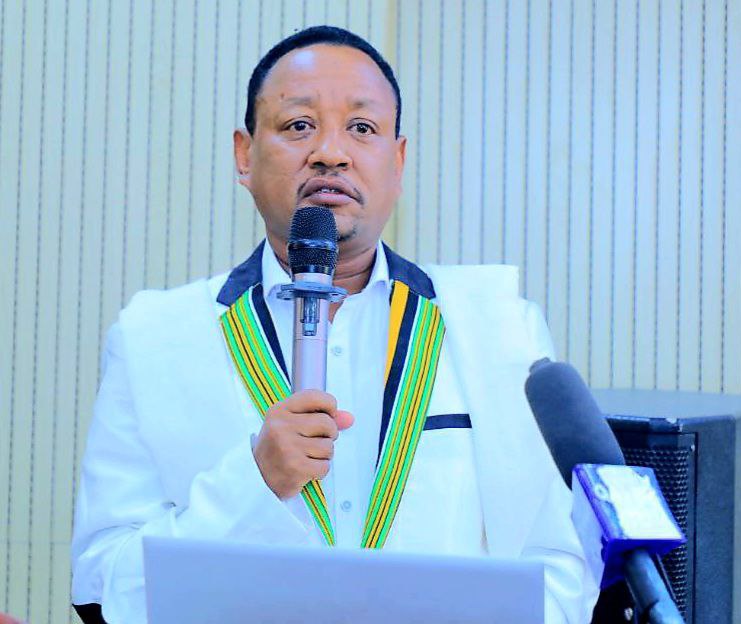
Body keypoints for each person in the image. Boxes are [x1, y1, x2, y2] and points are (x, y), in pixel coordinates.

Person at [71, 26, 599, 623]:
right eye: (299, 125)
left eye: (362, 128)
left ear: (397, 161)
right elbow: (102, 587)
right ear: (245, 155)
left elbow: (562, 562)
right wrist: (254, 482)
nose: (330, 152)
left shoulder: (499, 329)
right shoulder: (154, 339)